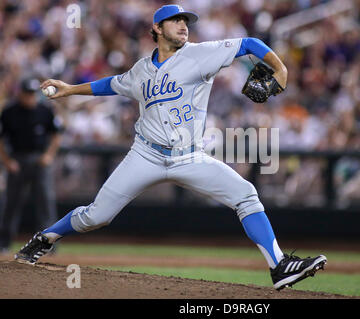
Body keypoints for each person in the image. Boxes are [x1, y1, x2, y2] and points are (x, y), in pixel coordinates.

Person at [14, 5, 326, 290]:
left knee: (246, 195)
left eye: (186, 21)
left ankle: (279, 266)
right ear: (157, 29)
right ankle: (46, 237)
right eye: (175, 21)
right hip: (145, 154)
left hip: (190, 156)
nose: (183, 25)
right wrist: (70, 90)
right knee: (97, 216)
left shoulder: (200, 54)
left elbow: (248, 45)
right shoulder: (140, 70)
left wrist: (279, 68)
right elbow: (112, 84)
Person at [0, 78, 63, 253]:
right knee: (11, 203)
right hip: (17, 160)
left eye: (33, 94)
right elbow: (1, 139)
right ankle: (3, 243)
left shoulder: (45, 111)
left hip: (39, 160)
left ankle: (49, 246)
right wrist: (7, 161)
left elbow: (56, 135)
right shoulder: (9, 112)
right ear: (20, 93)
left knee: (45, 203)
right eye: (27, 93)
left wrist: (49, 155)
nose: (30, 97)